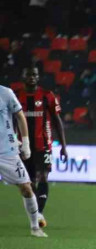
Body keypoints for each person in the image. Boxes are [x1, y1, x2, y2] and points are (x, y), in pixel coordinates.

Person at [16, 67, 68, 228]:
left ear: (38, 77)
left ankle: (39, 213)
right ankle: (35, 212)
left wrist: (63, 146)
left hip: (43, 145)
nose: (32, 77)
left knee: (44, 176)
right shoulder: (16, 97)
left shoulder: (47, 96)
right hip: (23, 146)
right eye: (29, 74)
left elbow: (57, 121)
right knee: (29, 182)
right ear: (23, 76)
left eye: (35, 75)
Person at [1, 84, 47, 237]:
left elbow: (20, 116)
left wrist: (25, 142)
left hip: (6, 152)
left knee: (26, 189)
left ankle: (35, 227)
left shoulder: (5, 93)